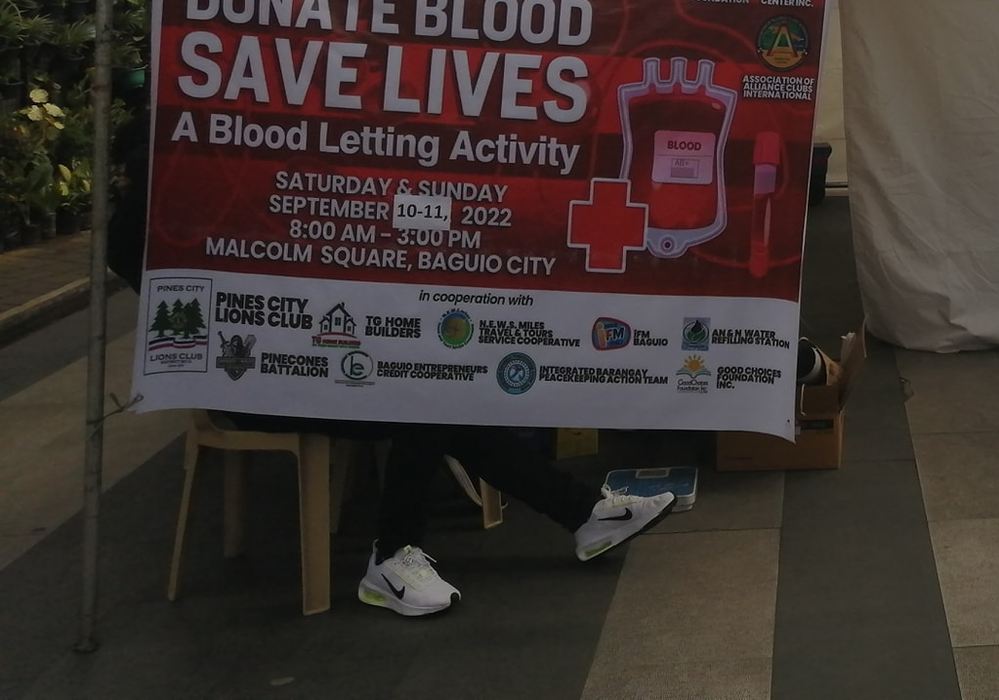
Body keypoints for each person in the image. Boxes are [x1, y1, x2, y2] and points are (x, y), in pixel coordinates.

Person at [105, 72, 677, 617]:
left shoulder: (257, 176)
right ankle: (395, 555)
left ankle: (580, 516)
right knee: (423, 398)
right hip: (256, 378)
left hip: (319, 360)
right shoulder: (158, 205)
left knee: (433, 387)